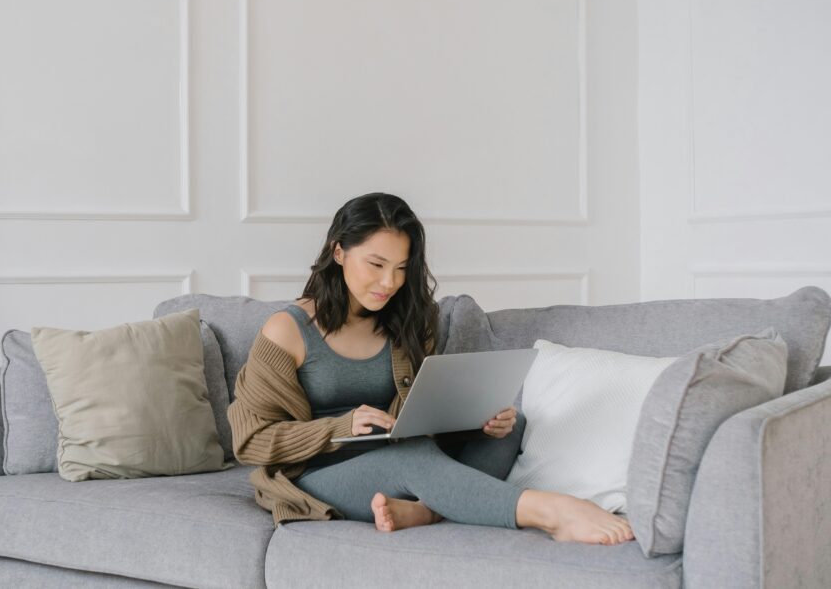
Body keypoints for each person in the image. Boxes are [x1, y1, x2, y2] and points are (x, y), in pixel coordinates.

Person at [226, 192, 634, 545]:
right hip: (316, 474)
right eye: (376, 264)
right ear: (338, 252)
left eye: (402, 268)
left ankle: (427, 510)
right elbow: (252, 441)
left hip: (399, 451)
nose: (389, 282)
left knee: (511, 427)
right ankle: (551, 512)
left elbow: (415, 421)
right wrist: (340, 427)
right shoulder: (288, 331)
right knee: (411, 457)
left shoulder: (410, 323)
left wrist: (476, 423)